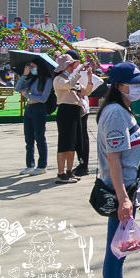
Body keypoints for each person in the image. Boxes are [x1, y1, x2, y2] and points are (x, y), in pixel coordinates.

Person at [97, 62, 140, 278]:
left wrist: (138, 191)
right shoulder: (116, 113)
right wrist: (123, 199)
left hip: (129, 189)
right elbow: (114, 160)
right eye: (134, 82)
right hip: (120, 191)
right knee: (115, 256)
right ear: (119, 86)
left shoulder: (121, 110)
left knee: (116, 254)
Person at [15, 61, 52, 175]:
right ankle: (29, 164)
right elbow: (17, 88)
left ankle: (42, 165)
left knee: (39, 137)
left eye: (33, 66)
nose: (31, 68)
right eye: (30, 67)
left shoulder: (47, 80)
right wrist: (24, 75)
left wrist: (28, 95)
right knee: (28, 138)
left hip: (39, 109)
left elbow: (43, 98)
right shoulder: (32, 79)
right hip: (29, 108)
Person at [52, 54, 84, 183]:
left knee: (72, 143)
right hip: (65, 111)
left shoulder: (70, 78)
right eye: (70, 65)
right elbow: (69, 85)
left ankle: (69, 171)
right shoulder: (58, 80)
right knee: (64, 143)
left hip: (75, 111)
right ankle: (61, 172)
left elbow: (82, 91)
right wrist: (78, 73)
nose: (72, 67)